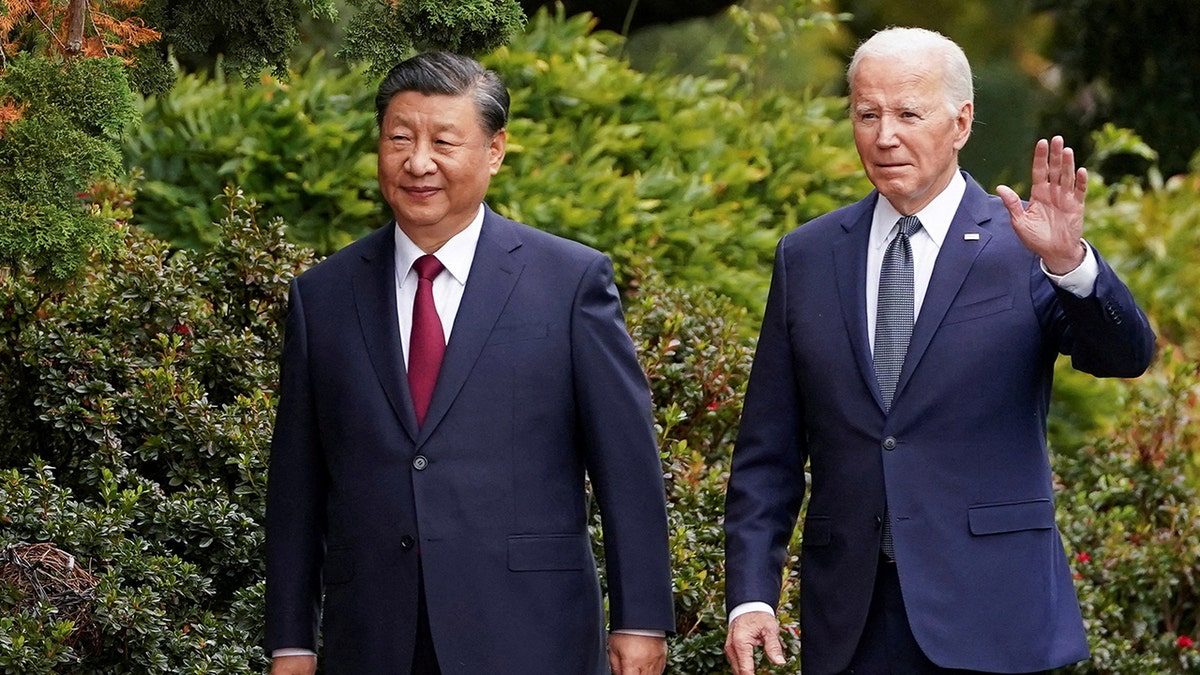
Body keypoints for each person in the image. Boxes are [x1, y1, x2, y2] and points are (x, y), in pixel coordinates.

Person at [722, 27, 1155, 675]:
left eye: (907, 113)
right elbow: (767, 452)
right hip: (853, 621)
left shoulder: (1025, 248)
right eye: (867, 114)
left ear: (961, 122)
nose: (884, 135)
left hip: (993, 613)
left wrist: (1073, 266)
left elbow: (1124, 354)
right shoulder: (808, 255)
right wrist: (751, 593)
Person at [264, 51, 675, 675]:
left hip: (532, 632)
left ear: (495, 150)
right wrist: (292, 641)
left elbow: (626, 463)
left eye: (444, 141)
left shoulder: (569, 282)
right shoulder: (323, 296)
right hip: (374, 636)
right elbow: (296, 485)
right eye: (399, 138)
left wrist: (641, 618)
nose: (418, 162)